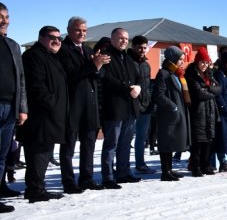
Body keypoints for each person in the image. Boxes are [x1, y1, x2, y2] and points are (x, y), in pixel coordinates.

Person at [57, 17, 109, 193]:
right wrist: (93, 64)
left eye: (85, 31)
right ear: (69, 30)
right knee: (69, 146)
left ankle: (86, 178)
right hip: (73, 104)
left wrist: (99, 66)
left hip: (90, 105)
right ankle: (68, 181)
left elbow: (98, 76)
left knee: (88, 144)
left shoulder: (87, 51)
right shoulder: (63, 49)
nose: (82, 34)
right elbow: (71, 74)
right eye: (79, 30)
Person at [19, 26, 68, 202]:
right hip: (40, 116)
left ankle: (38, 187)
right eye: (52, 37)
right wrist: (52, 105)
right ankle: (35, 190)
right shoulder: (33, 56)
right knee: (37, 154)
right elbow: (36, 87)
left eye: (59, 38)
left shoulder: (51, 57)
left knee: (44, 154)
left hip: (51, 116)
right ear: (41, 38)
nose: (57, 41)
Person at [100, 28, 142, 188]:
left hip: (130, 107)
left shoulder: (127, 58)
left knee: (125, 143)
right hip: (114, 108)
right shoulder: (106, 56)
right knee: (111, 144)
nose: (124, 40)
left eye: (126, 38)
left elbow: (136, 77)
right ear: (112, 39)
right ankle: (108, 176)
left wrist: (137, 87)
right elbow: (107, 79)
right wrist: (128, 89)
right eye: (121, 38)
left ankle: (123, 172)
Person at [0, 3, 28, 212]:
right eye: (0, 17)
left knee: (2, 153)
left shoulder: (12, 45)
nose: (5, 21)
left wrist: (22, 107)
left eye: (6, 16)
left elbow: (21, 79)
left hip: (10, 107)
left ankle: (1, 187)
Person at [151, 47, 190, 181]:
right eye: (180, 59)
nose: (182, 62)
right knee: (166, 143)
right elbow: (158, 95)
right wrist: (173, 107)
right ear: (172, 59)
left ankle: (169, 169)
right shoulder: (163, 73)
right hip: (167, 115)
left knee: (172, 142)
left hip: (176, 114)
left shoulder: (175, 74)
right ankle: (165, 171)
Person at [185, 47, 221, 177]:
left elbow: (219, 89)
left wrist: (209, 88)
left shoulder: (209, 75)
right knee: (198, 142)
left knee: (208, 140)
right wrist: (211, 92)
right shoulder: (191, 75)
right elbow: (198, 94)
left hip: (210, 112)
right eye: (202, 62)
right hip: (198, 112)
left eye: (207, 62)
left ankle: (205, 164)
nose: (205, 65)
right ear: (197, 62)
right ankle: (195, 166)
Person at [129, 35, 155, 174]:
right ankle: (123, 165)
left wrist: (149, 101)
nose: (142, 50)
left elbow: (148, 85)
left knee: (141, 138)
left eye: (144, 47)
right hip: (132, 106)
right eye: (139, 47)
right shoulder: (128, 62)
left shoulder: (146, 64)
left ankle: (140, 164)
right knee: (126, 139)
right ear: (133, 47)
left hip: (146, 106)